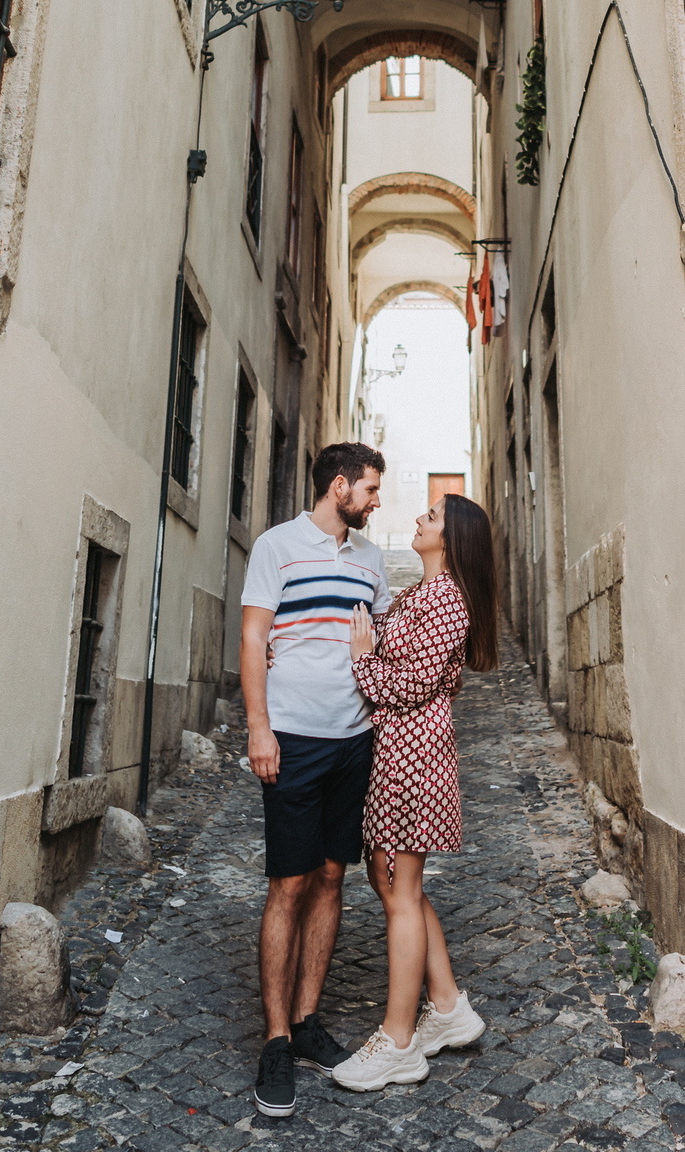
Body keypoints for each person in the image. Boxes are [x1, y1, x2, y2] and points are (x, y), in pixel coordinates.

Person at [239, 442, 391, 1119]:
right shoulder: (277, 546)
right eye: (371, 489)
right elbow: (253, 638)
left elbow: (384, 635)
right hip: (293, 738)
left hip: (353, 740)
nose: (377, 500)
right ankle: (275, 1039)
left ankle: (305, 1022)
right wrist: (259, 728)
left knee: (332, 877)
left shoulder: (371, 559)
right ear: (340, 487)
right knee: (289, 883)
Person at [330, 491, 499, 1092]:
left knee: (399, 889)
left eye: (432, 516)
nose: (420, 519)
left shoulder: (449, 600)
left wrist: (362, 660)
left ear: (451, 539)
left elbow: (410, 684)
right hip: (396, 752)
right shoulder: (419, 595)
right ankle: (448, 1006)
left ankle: (398, 1041)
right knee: (391, 882)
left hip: (415, 756)